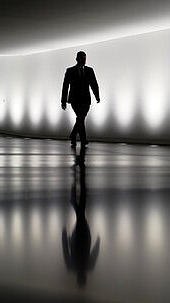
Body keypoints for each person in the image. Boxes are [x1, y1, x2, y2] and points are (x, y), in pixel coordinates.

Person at [62, 152, 100, 287]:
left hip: (82, 238)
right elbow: (66, 251)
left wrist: (97, 242)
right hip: (79, 238)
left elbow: (94, 253)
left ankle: (79, 186)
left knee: (81, 215)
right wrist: (64, 236)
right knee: (80, 215)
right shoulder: (74, 267)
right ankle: (77, 189)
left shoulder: (85, 267)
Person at [61, 51, 100, 147]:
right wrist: (63, 100)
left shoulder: (89, 70)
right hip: (75, 99)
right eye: (82, 59)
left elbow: (94, 84)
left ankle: (73, 135)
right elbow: (65, 86)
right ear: (77, 59)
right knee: (81, 118)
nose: (84, 61)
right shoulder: (70, 71)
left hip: (86, 99)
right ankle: (82, 139)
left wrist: (97, 95)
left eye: (85, 59)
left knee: (80, 118)